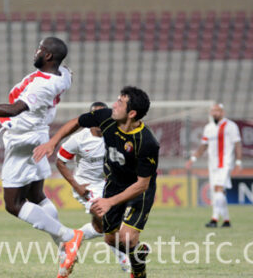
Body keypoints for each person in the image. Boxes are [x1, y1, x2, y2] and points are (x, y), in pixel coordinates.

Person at [0, 37, 83, 275]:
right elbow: (66, 70)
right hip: (38, 135)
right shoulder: (63, 74)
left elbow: (15, 109)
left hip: (24, 141)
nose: (36, 52)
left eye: (40, 49)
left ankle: (69, 236)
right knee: (35, 194)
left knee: (13, 204)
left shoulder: (42, 86)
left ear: (49, 56)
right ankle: (64, 249)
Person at [34, 86, 159, 278]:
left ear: (132, 113)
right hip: (113, 184)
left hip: (138, 190)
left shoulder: (147, 142)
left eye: (120, 103)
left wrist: (109, 202)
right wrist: (54, 141)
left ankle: (138, 271)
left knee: (127, 238)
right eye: (117, 99)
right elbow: (77, 121)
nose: (114, 105)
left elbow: (142, 184)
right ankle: (138, 253)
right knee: (109, 239)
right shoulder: (106, 118)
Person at [56, 101, 130, 273]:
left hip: (106, 184)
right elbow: (60, 162)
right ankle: (124, 259)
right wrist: (77, 185)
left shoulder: (113, 134)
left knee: (101, 227)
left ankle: (70, 239)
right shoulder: (79, 140)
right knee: (107, 218)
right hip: (85, 186)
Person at [185, 103, 242, 228]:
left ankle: (214, 219)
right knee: (219, 192)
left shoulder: (231, 126)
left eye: (217, 111)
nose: (215, 113)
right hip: (212, 164)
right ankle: (226, 220)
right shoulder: (208, 128)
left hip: (225, 163)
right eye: (213, 111)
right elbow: (203, 146)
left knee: (218, 189)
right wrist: (193, 158)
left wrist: (238, 162)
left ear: (222, 112)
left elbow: (237, 144)